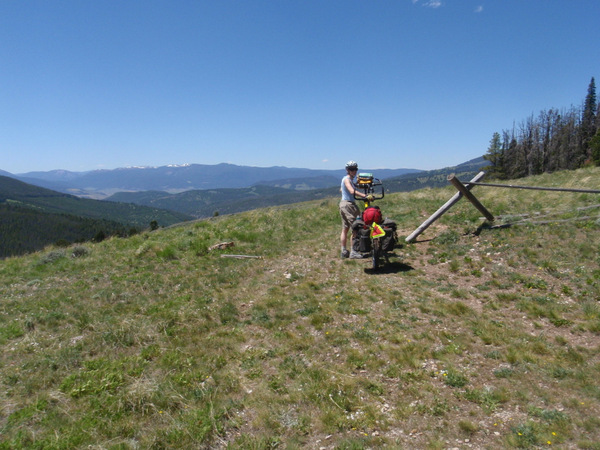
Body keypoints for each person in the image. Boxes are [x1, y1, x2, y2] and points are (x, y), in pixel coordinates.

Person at [339, 160, 372, 259]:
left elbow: (342, 189)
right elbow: (351, 190)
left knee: (345, 229)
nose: (354, 171)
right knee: (356, 228)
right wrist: (365, 196)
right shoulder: (347, 179)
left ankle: (344, 251)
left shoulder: (348, 179)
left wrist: (360, 185)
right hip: (348, 205)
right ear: (347, 170)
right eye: (352, 169)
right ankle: (354, 251)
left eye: (355, 169)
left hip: (344, 204)